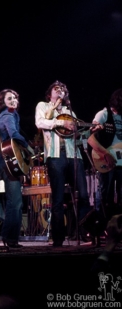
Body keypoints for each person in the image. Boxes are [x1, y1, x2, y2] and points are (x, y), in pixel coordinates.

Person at [35, 80, 92, 247]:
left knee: (83, 195)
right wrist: (61, 123)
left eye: (62, 89)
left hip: (74, 155)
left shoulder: (70, 112)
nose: (60, 90)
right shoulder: (43, 106)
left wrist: (89, 131)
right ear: (50, 93)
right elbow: (40, 122)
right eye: (56, 88)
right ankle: (58, 238)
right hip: (55, 156)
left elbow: (77, 137)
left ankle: (81, 232)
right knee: (58, 198)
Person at [0, 88, 34, 248]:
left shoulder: (9, 115)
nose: (13, 100)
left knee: (14, 201)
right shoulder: (8, 116)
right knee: (15, 201)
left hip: (4, 159)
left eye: (15, 98)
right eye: (9, 98)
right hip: (6, 160)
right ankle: (10, 238)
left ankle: (10, 237)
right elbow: (14, 134)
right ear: (3, 101)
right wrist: (28, 148)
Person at [87, 88, 122, 243]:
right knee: (105, 195)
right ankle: (100, 228)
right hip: (106, 159)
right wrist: (105, 154)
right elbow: (91, 139)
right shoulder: (104, 114)